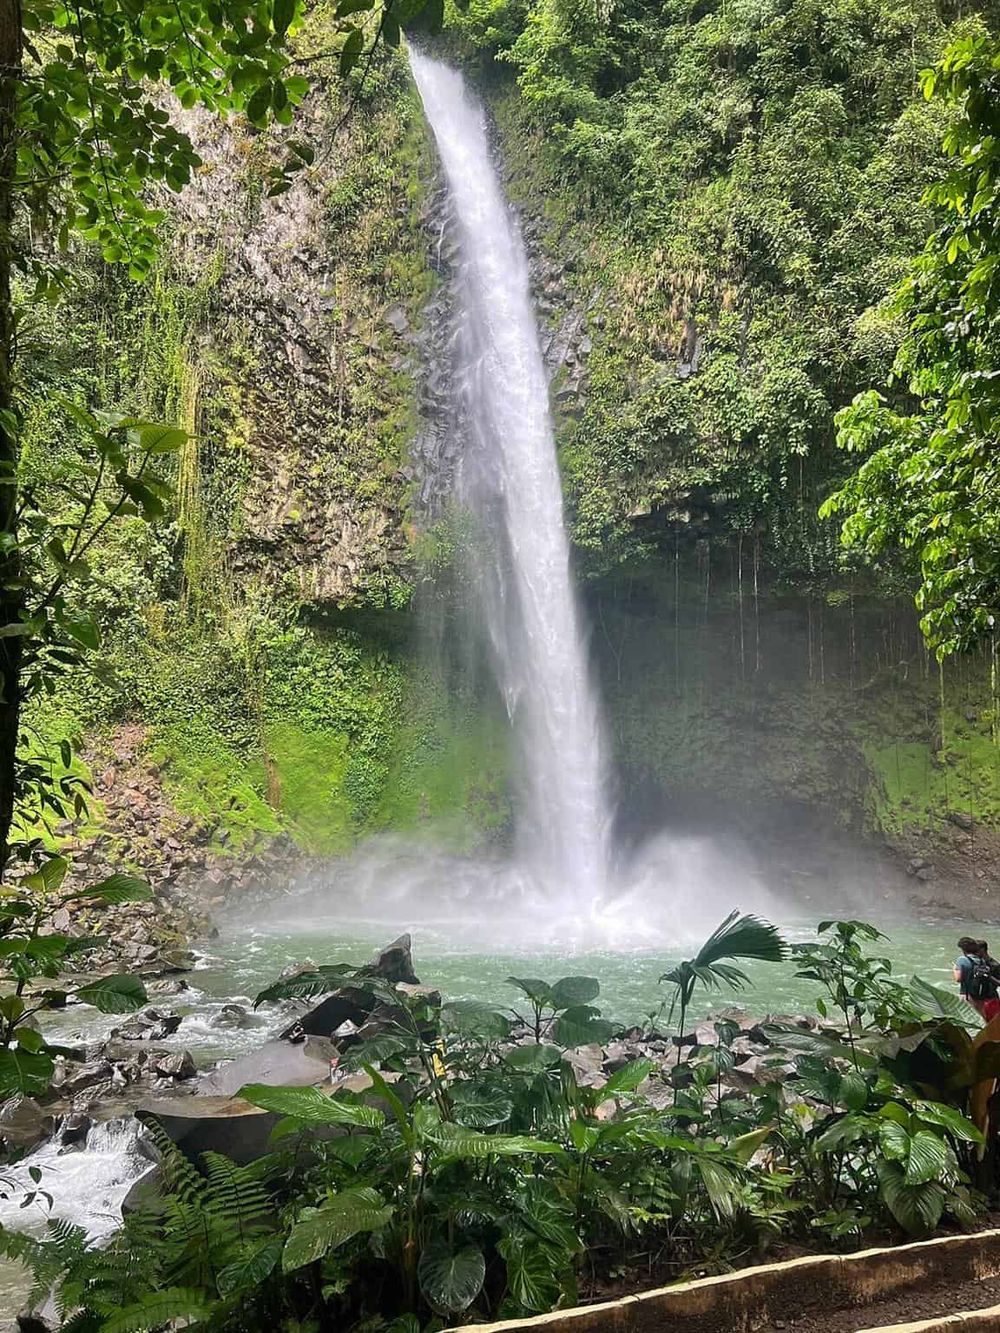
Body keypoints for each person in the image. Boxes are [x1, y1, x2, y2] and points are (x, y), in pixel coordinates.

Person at [954, 937, 1000, 1020]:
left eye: (976, 949)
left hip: (988, 998)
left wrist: (989, 977)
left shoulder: (994, 965)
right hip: (979, 997)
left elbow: (958, 978)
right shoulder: (980, 961)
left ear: (982, 949)